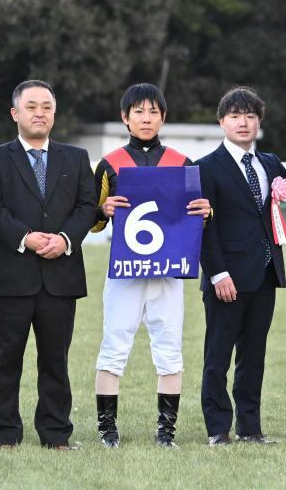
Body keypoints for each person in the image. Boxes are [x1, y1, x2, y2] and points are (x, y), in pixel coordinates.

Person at [198, 86, 286, 446]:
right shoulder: (205, 168)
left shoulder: (268, 163)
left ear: (259, 122)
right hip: (227, 278)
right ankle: (218, 429)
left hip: (265, 274)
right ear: (222, 121)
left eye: (250, 116)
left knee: (253, 357)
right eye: (236, 116)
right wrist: (218, 273)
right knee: (218, 355)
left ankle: (250, 428)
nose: (243, 122)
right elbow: (203, 229)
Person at [92, 83, 210, 448]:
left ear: (163, 117)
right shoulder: (109, 164)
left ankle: (166, 432)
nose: (147, 118)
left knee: (169, 348)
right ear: (125, 118)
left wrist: (208, 212)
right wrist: (103, 210)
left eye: (153, 112)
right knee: (114, 345)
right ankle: (107, 430)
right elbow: (93, 222)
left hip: (168, 274)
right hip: (125, 273)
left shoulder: (183, 163)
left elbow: (196, 215)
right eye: (139, 112)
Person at [0, 80, 96, 450]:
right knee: (4, 361)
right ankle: (3, 434)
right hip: (10, 276)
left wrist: (64, 240)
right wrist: (26, 237)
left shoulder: (76, 158)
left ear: (54, 113)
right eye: (31, 106)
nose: (39, 113)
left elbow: (86, 207)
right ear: (15, 113)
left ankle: (56, 433)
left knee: (55, 361)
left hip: (60, 277)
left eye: (46, 106)